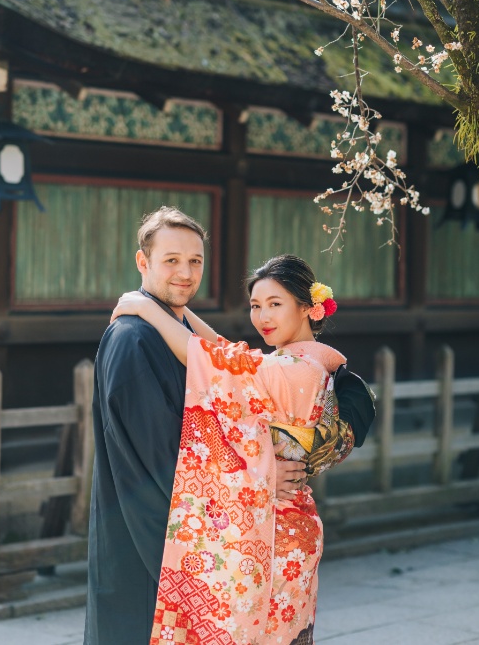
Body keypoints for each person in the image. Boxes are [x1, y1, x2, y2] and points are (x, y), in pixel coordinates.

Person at [111, 253, 375, 645]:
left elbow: (210, 360)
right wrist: (175, 311)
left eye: (275, 304)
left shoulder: (296, 370)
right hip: (286, 523)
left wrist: (144, 309)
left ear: (308, 308)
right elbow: (223, 352)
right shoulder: (295, 362)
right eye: (255, 305)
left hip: (272, 534)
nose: (262, 317)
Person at [83, 210, 307, 645]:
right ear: (142, 262)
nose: (186, 273)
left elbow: (229, 369)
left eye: (196, 261)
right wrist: (261, 479)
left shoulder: (172, 327)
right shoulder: (132, 339)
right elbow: (166, 453)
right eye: (171, 260)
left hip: (186, 534)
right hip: (149, 536)